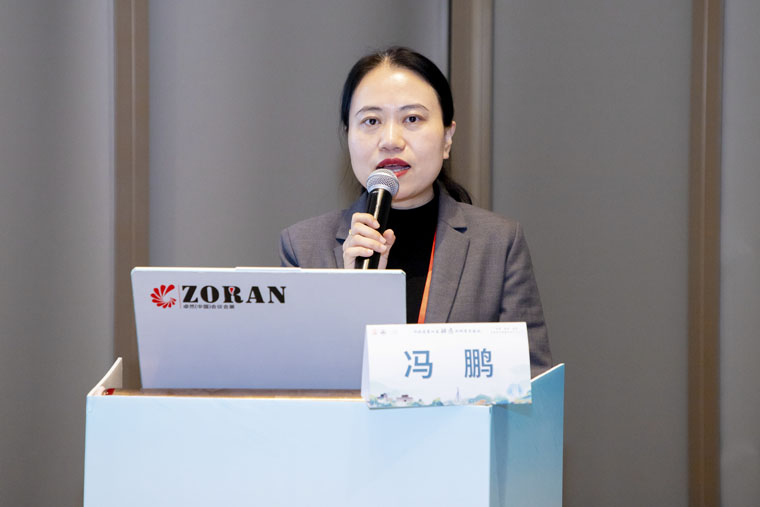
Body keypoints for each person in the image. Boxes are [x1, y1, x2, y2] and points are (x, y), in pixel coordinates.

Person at [279, 47, 551, 377]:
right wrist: (351, 295)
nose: (391, 140)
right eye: (371, 121)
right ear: (348, 136)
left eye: (412, 119)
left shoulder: (498, 244)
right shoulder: (304, 248)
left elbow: (531, 383)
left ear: (447, 138)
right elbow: (295, 384)